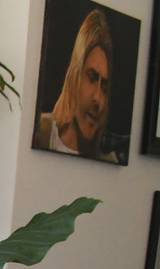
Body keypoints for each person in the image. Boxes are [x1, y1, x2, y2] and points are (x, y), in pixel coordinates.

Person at [33, 8, 118, 162]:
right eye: (92, 78)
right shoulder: (41, 133)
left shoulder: (109, 159)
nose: (98, 98)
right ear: (74, 75)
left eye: (104, 87)